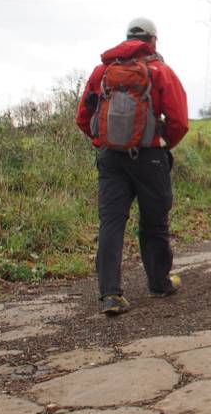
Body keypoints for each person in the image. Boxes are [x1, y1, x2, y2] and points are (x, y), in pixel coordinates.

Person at [75, 17, 189, 315]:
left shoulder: (102, 72)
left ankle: (110, 294)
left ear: (127, 38)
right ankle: (159, 282)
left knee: (111, 223)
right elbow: (179, 122)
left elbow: (83, 118)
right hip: (150, 157)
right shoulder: (160, 71)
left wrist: (103, 141)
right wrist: (162, 143)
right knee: (154, 221)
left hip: (111, 159)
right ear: (153, 41)